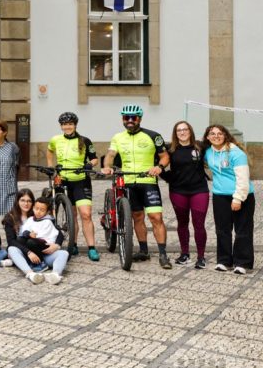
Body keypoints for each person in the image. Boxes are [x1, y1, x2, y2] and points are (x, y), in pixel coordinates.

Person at [102, 104, 172, 268]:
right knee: (137, 218)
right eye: (127, 118)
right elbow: (110, 155)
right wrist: (107, 166)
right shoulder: (118, 137)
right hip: (128, 183)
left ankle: (163, 255)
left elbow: (164, 156)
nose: (130, 120)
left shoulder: (153, 136)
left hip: (148, 182)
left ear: (140, 118)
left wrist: (159, 167)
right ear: (123, 119)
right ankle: (143, 251)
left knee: (156, 218)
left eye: (134, 117)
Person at [46, 112, 100, 260]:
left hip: (81, 180)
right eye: (64, 124)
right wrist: (51, 166)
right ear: (61, 126)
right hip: (63, 181)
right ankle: (73, 244)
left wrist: (89, 164)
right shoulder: (55, 140)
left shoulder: (84, 140)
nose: (67, 127)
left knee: (86, 214)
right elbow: (50, 151)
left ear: (75, 125)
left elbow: (94, 159)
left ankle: (92, 247)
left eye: (70, 124)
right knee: (72, 215)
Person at [203, 124, 255, 274]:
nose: (216, 136)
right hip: (220, 196)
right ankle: (224, 261)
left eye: (220, 133)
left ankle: (243, 262)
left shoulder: (236, 153)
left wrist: (238, 198)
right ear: (207, 137)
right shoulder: (208, 152)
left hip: (241, 196)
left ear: (225, 135)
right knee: (222, 230)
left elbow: (243, 179)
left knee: (242, 230)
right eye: (212, 134)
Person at [160, 121, 210, 268]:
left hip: (199, 190)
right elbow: (159, 165)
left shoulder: (200, 146)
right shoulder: (170, 149)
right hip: (178, 191)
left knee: (199, 224)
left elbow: (218, 145)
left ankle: (201, 257)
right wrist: (170, 178)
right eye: (179, 130)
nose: (182, 132)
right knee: (182, 223)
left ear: (190, 131)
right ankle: (185, 254)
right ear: (175, 134)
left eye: (185, 129)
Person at [9, 196, 69, 284]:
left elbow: (58, 233)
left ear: (47, 212)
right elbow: (21, 235)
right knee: (12, 248)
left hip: (44, 253)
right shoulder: (25, 219)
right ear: (33, 208)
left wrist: (56, 245)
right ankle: (30, 274)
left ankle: (55, 275)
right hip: (28, 254)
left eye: (42, 210)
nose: (38, 211)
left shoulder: (48, 221)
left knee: (64, 253)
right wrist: (29, 249)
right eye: (37, 209)